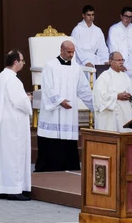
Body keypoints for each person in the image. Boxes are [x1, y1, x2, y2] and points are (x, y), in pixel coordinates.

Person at [35, 40, 93, 172]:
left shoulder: (76, 68)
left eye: (73, 52)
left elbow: (83, 89)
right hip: (54, 111)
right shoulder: (50, 65)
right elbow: (47, 87)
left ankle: (68, 166)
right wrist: (60, 101)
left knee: (67, 141)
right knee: (52, 140)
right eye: (69, 52)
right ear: (61, 50)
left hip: (68, 111)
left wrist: (95, 105)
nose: (71, 55)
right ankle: (48, 168)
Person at [0, 49, 33, 201]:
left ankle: (2, 188)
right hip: (14, 123)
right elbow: (19, 102)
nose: (23, 64)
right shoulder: (13, 80)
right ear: (15, 62)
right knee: (14, 156)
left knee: (3, 156)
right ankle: (14, 189)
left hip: (1, 121)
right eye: (22, 61)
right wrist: (28, 100)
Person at [93, 51, 132, 132]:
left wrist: (130, 96)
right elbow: (99, 98)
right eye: (118, 60)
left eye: (122, 60)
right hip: (111, 117)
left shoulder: (125, 76)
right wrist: (117, 96)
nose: (121, 62)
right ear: (110, 61)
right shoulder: (104, 77)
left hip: (126, 115)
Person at [71, 4, 109, 72]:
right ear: (83, 15)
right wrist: (85, 61)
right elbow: (77, 48)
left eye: (92, 15)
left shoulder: (98, 30)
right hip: (81, 61)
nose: (91, 17)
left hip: (94, 60)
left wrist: (105, 60)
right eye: (88, 15)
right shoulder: (77, 30)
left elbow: (102, 47)